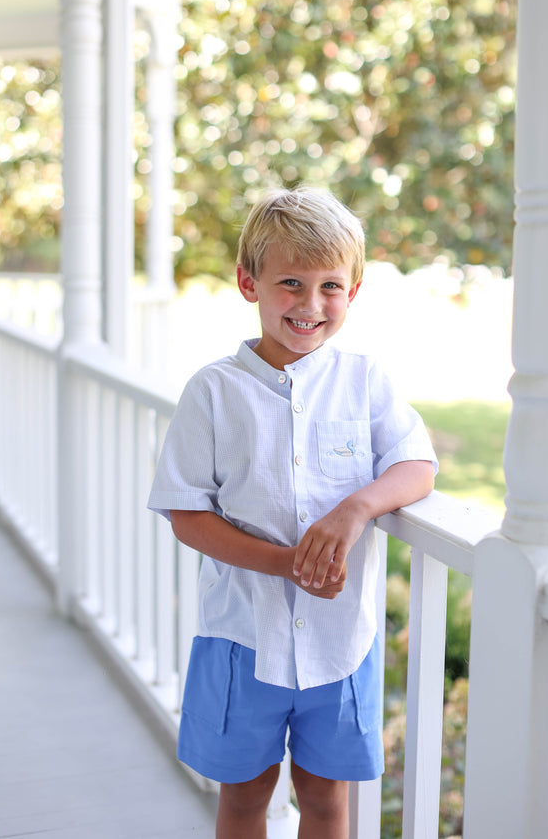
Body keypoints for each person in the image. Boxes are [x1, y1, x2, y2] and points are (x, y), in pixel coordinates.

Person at [148, 186, 437, 839]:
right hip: (241, 637)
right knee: (246, 799)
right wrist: (286, 563)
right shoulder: (214, 392)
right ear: (250, 284)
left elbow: (416, 464)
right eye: (290, 283)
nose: (310, 305)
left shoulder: (366, 381)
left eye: (331, 286)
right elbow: (187, 513)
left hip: (340, 642)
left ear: (354, 292)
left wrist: (354, 511)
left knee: (326, 801)